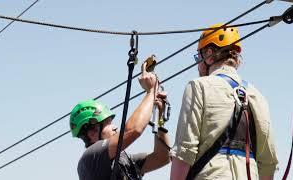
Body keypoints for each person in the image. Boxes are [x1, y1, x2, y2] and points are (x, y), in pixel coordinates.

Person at [170, 24, 278, 180]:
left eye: (198, 58)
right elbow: (268, 163)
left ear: (209, 54)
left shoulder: (199, 86)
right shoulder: (258, 97)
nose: (198, 65)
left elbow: (184, 151)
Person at [70, 63, 170, 180]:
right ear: (91, 132)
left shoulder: (124, 161)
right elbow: (134, 130)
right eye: (108, 123)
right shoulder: (91, 158)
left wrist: (160, 118)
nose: (115, 127)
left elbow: (162, 157)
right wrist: (151, 92)